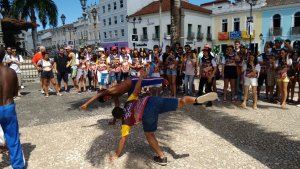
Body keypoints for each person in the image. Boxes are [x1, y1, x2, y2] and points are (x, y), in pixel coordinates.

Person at [109, 70, 218, 165]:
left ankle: (162, 157)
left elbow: (123, 139)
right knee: (180, 102)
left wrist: (117, 154)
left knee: (149, 134)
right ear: (122, 108)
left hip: (147, 113)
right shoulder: (129, 102)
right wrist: (141, 77)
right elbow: (137, 90)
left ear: (119, 118)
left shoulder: (125, 122)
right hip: (152, 100)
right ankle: (196, 100)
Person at [0, 47, 26, 169]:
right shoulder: (11, 72)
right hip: (8, 106)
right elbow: (15, 92)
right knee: (13, 138)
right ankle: (18, 166)